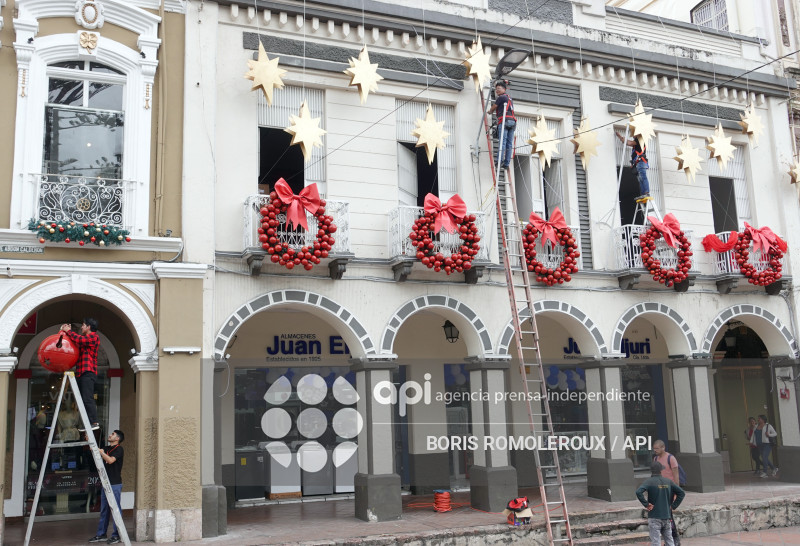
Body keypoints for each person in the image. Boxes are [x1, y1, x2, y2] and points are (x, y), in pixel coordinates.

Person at [61, 319, 100, 431]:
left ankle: (94, 422)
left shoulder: (94, 337)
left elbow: (78, 339)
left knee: (87, 398)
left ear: (88, 327)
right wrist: (66, 332)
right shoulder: (86, 340)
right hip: (82, 373)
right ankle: (88, 423)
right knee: (83, 399)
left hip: (88, 372)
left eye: (83, 325)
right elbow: (75, 341)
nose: (82, 327)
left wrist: (69, 331)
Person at [636, 461, 685, 546]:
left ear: (651, 470)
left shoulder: (649, 482)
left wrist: (646, 504)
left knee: (656, 542)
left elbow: (638, 492)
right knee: (669, 541)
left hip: (654, 517)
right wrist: (673, 506)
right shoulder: (668, 482)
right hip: (667, 516)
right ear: (661, 470)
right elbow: (681, 493)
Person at [89, 429, 125, 544]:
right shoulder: (106, 448)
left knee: (115, 509)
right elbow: (93, 449)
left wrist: (100, 452)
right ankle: (101, 534)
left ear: (117, 438)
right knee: (104, 510)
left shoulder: (119, 449)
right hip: (106, 483)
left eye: (113, 434)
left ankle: (117, 535)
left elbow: (110, 460)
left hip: (114, 484)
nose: (110, 435)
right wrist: (88, 437)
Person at [652, 439, 682, 545]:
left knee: (668, 515)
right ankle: (671, 539)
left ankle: (675, 539)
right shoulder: (655, 458)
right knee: (664, 516)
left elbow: (676, 476)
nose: (655, 450)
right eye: (654, 448)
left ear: (663, 447)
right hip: (659, 492)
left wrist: (676, 491)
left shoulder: (671, 458)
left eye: (657, 448)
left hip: (669, 491)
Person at [488, 79, 516, 170]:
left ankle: (499, 161)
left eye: (499, 88)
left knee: (502, 143)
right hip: (512, 122)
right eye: (496, 89)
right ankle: (506, 163)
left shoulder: (501, 98)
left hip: (504, 121)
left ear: (504, 89)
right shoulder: (509, 98)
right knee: (509, 144)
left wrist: (489, 111)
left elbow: (494, 107)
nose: (497, 90)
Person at [615, 129, 650, 199]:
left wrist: (622, 138)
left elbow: (629, 143)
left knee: (643, 177)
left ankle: (646, 192)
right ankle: (643, 193)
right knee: (640, 179)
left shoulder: (640, 140)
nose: (633, 135)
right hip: (638, 163)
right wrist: (620, 137)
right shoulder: (636, 143)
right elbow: (628, 142)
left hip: (641, 162)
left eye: (634, 133)